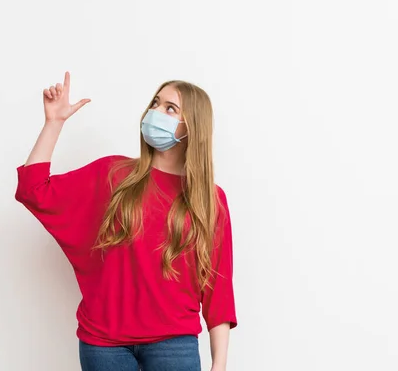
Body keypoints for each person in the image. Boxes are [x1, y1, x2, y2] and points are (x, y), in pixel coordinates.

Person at [15, 71, 237, 371]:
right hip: (104, 345)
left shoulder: (210, 200)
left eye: (170, 108)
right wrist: (54, 123)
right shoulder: (114, 174)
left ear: (192, 127)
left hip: (174, 344)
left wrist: (219, 364)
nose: (155, 112)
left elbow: (217, 289)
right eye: (155, 104)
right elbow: (33, 190)